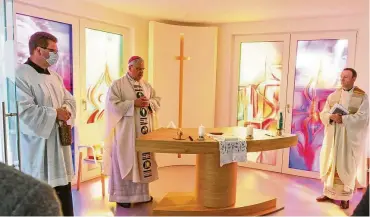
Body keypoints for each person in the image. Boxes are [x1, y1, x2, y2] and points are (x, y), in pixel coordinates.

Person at [15, 32, 76, 216]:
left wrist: (65, 110)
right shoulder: (21, 75)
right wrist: (54, 113)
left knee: (63, 194)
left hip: (59, 144)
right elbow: (23, 111)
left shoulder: (55, 76)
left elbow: (69, 100)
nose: (56, 55)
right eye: (53, 51)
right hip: (39, 147)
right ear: (38, 50)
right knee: (42, 195)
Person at [103, 56, 160, 208]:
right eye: (138, 69)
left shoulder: (146, 86)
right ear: (130, 68)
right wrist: (133, 104)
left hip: (143, 132)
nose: (141, 72)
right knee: (124, 161)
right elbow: (112, 105)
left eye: (143, 69)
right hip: (125, 134)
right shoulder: (117, 85)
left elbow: (156, 100)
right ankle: (122, 196)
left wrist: (150, 104)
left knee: (142, 162)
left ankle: (142, 195)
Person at [317, 68, 368, 209]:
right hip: (333, 136)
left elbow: (363, 117)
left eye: (346, 77)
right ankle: (328, 193)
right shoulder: (334, 95)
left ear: (353, 79)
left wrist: (344, 119)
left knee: (347, 165)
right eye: (341, 77)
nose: (342, 79)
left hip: (348, 139)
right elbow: (324, 113)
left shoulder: (362, 97)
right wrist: (330, 117)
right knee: (331, 161)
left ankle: (345, 197)